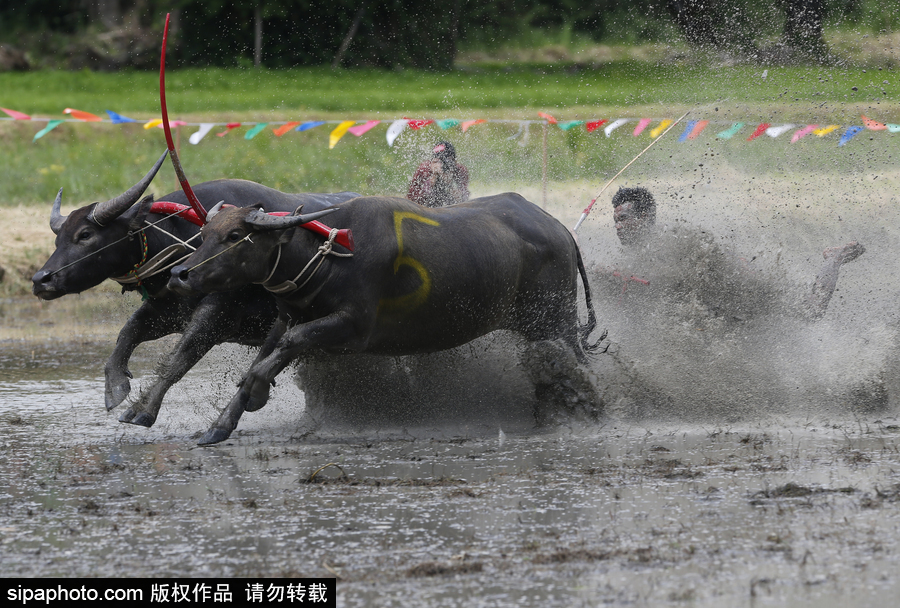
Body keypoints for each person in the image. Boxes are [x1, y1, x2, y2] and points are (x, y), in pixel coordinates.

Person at [597, 186, 865, 323]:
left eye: (624, 219)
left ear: (644, 217)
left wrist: (616, 275)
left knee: (811, 311)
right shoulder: (640, 251)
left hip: (745, 286)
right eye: (615, 221)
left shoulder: (668, 240)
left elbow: (661, 279)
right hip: (721, 306)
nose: (618, 227)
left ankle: (835, 257)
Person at [407, 141, 470, 208]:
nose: (442, 165)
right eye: (437, 161)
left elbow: (465, 197)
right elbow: (411, 199)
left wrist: (455, 190)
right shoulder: (424, 169)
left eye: (447, 161)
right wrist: (430, 182)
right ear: (432, 161)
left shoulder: (460, 170)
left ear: (455, 161)